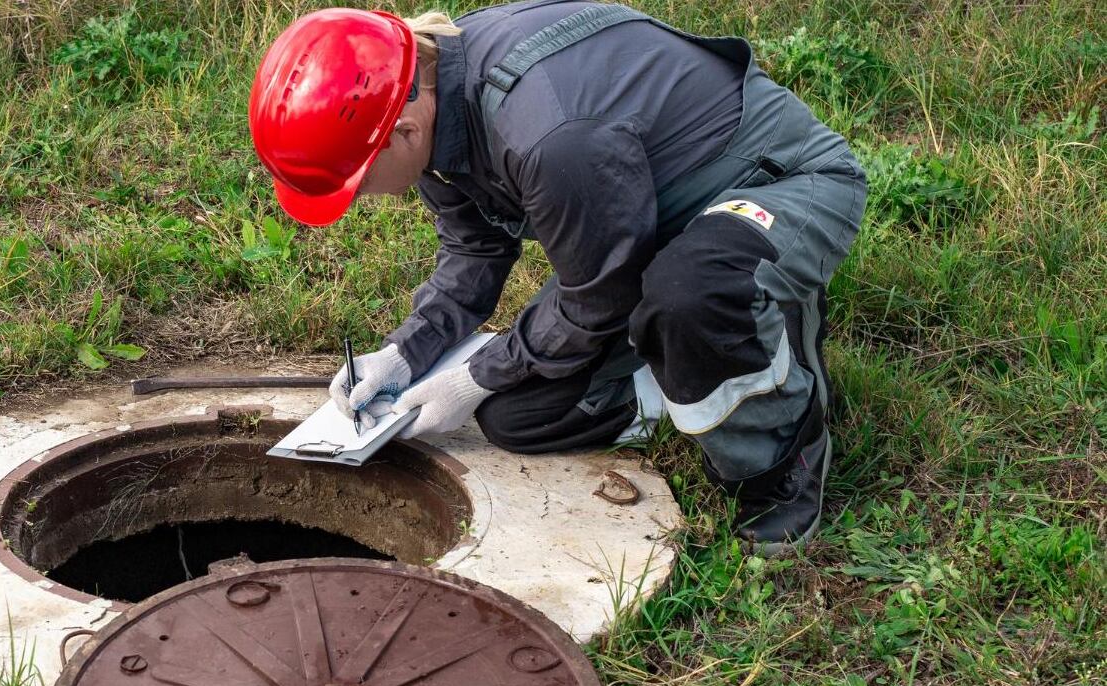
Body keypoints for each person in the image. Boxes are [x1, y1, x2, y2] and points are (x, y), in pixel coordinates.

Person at [248, 1, 867, 552]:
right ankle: (692, 360)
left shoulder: (549, 134)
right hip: (644, 219)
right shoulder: (435, 98)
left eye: (356, 184)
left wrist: (472, 375)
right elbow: (474, 249)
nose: (360, 200)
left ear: (402, 133)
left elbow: (599, 296)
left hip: (774, 184)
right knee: (518, 418)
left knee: (691, 296)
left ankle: (783, 447)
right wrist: (405, 354)